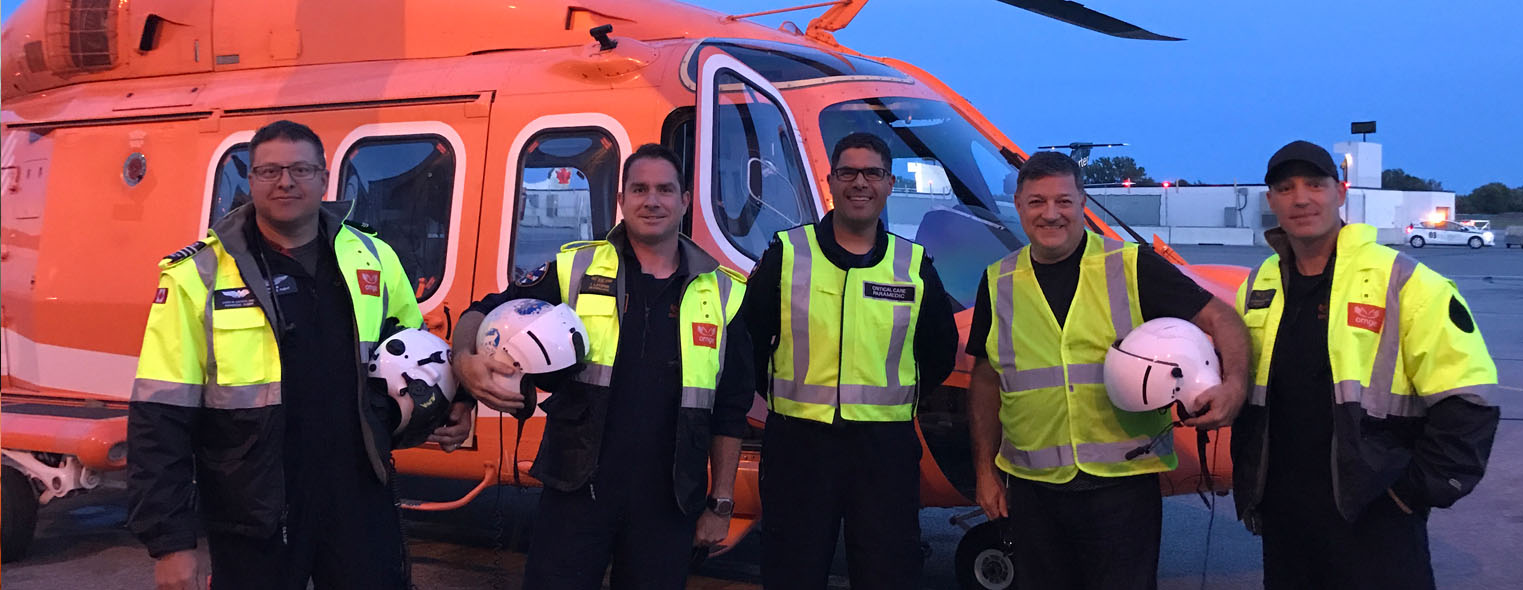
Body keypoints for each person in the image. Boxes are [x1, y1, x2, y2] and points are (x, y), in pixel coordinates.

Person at [127, 119, 474, 590]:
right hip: (253, 510)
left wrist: (457, 403)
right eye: (269, 171)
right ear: (250, 180)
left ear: (325, 177)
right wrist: (171, 542)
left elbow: (419, 354)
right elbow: (159, 415)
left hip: (358, 496)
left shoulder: (372, 257)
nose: (285, 182)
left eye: (300, 170)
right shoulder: (196, 276)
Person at [451, 144, 754, 590]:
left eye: (665, 189)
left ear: (685, 200)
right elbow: (482, 312)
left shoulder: (725, 293)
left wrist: (721, 504)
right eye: (640, 189)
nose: (652, 200)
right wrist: (463, 363)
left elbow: (729, 410)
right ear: (622, 200)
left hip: (669, 501)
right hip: (577, 490)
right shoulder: (575, 267)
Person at [965, 150, 1250, 590]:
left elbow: (1222, 318)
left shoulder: (1131, 265)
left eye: (1063, 201)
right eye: (1037, 202)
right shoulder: (997, 280)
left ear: (1083, 203)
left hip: (1121, 488)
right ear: (1018, 206)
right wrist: (985, 471)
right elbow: (985, 379)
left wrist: (1233, 386)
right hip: (1033, 488)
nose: (1051, 214)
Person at [1231, 140, 1500, 589]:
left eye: (1315, 184)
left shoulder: (1405, 281)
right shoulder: (1258, 285)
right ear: (1271, 201)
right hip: (1285, 516)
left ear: (1341, 193)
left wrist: (1412, 493)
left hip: (1375, 515)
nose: (1300, 198)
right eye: (1285, 188)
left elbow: (1470, 396)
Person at [744, 132, 959, 590]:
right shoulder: (788, 254)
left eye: (873, 173)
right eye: (848, 172)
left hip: (885, 450)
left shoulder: (914, 265)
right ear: (831, 180)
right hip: (799, 446)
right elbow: (751, 340)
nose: (860, 183)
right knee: (791, 571)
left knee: (889, 571)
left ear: (888, 183)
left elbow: (937, 352)